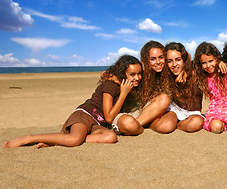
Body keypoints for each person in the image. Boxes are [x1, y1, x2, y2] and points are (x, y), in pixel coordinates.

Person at [3, 55, 143, 148]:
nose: (137, 77)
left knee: (110, 137)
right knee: (74, 140)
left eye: (139, 73)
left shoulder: (120, 84)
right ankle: (30, 138)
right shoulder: (110, 86)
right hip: (85, 115)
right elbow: (109, 117)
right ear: (122, 73)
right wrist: (124, 93)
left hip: (97, 123)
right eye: (132, 74)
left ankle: (56, 140)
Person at [193, 42, 227, 134]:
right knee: (216, 127)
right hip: (216, 111)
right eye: (204, 63)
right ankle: (222, 125)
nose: (208, 65)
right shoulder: (202, 76)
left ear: (217, 59)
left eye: (211, 61)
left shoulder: (226, 69)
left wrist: (221, 62)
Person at [150, 42, 204, 133]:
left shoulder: (195, 71)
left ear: (184, 59)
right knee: (165, 127)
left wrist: (186, 69)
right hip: (174, 110)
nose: (174, 64)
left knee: (197, 123)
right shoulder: (165, 75)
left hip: (193, 113)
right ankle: (150, 123)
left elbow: (208, 61)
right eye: (169, 61)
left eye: (178, 59)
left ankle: (178, 125)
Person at [137, 40, 172, 133]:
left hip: (161, 111)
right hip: (142, 112)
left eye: (161, 57)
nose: (158, 62)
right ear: (146, 60)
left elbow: (187, 56)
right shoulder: (140, 73)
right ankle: (135, 125)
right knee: (165, 99)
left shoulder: (169, 71)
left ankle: (147, 123)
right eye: (152, 59)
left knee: (167, 126)